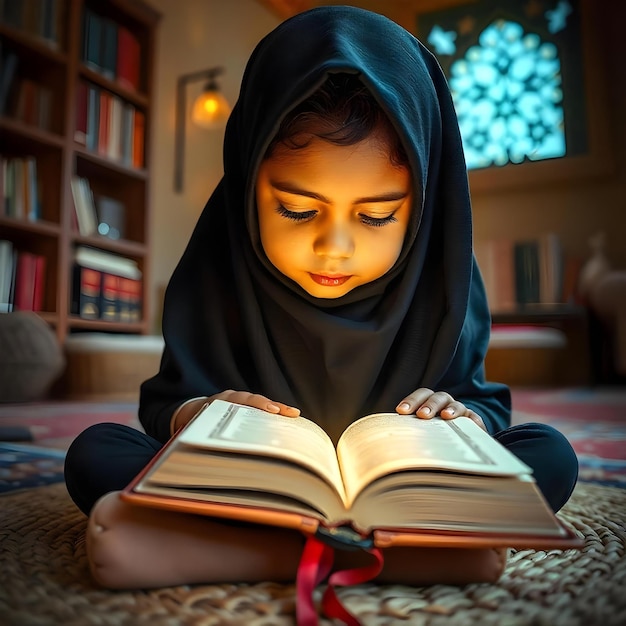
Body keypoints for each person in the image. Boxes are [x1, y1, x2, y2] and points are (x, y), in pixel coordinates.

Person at [64, 5, 578, 590]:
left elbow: (479, 399)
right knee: (95, 452)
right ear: (247, 176)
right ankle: (407, 556)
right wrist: (195, 414)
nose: (333, 248)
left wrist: (466, 419)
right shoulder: (219, 262)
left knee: (550, 454)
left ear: (423, 206)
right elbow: (165, 403)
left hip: (406, 489)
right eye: (297, 209)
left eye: (378, 216)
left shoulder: (442, 278)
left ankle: (241, 552)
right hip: (248, 489)